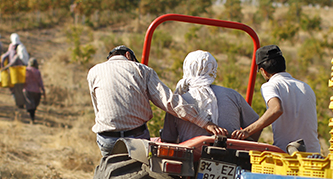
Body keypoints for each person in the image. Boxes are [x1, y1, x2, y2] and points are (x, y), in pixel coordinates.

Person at [87, 45, 228, 157]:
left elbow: (98, 108)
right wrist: (205, 122)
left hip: (106, 139)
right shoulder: (142, 70)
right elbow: (170, 102)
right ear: (128, 56)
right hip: (136, 138)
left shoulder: (93, 71)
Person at [232, 45, 321, 153]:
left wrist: (246, 131)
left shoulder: (270, 85)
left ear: (263, 71)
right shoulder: (305, 87)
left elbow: (276, 109)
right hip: (313, 155)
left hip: (288, 154)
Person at [161, 50, 260, 143]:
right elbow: (257, 125)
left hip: (191, 157)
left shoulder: (178, 101)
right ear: (213, 69)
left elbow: (168, 138)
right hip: (231, 155)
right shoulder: (233, 95)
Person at [5, 43, 29, 109]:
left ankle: (20, 104)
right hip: (25, 76)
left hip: (17, 76)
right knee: (24, 90)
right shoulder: (26, 57)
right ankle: (26, 103)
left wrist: (4, 68)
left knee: (18, 90)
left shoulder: (17, 57)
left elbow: (11, 64)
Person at [23, 58, 46, 124]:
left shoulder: (25, 70)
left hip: (27, 90)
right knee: (34, 105)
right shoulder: (37, 71)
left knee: (30, 104)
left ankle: (31, 117)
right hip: (37, 91)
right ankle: (32, 118)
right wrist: (43, 91)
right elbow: (40, 82)